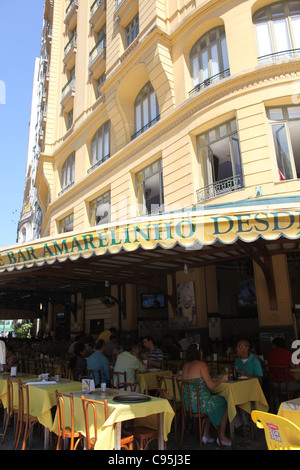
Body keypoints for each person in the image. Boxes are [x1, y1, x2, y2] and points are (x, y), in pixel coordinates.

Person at [181, 343, 231, 446]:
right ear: (199, 353)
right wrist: (222, 379)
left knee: (211, 402)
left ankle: (206, 435)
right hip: (201, 404)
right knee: (225, 402)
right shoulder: (201, 365)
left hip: (188, 404)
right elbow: (211, 385)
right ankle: (221, 436)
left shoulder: (185, 365)